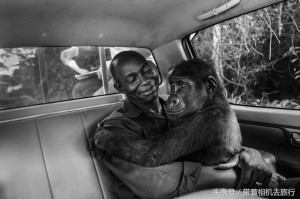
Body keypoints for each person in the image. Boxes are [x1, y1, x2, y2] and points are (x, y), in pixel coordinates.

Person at [90, 51, 281, 199]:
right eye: (132, 79)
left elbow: (208, 144)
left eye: (146, 71)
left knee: (286, 189)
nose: (145, 80)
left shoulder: (178, 105)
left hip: (202, 191)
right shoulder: (114, 129)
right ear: (120, 88)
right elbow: (156, 184)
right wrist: (237, 176)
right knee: (280, 190)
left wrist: (247, 155)